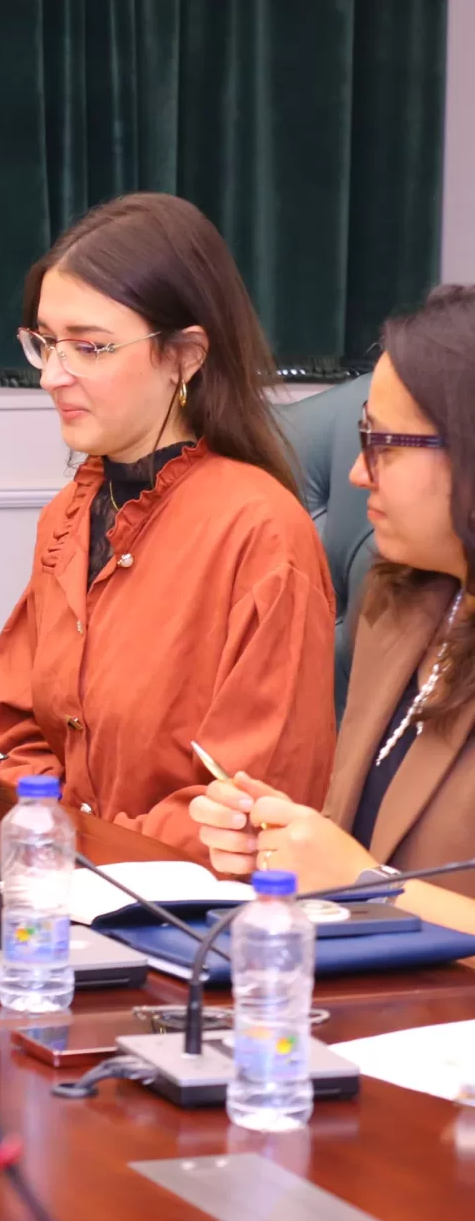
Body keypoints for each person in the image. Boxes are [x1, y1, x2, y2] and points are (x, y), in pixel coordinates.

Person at [0, 194, 337, 849]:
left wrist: (83, 851)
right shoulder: (70, 515)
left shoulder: (261, 533)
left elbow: (250, 806)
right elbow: (11, 732)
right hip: (66, 880)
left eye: (89, 347)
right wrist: (48, 837)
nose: (52, 376)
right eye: (45, 343)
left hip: (186, 900)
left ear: (185, 355)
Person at [193, 288, 475, 921]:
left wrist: (361, 881)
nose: (358, 473)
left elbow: (368, 877)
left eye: (385, 444)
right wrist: (282, 842)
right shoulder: (401, 600)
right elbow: (363, 844)